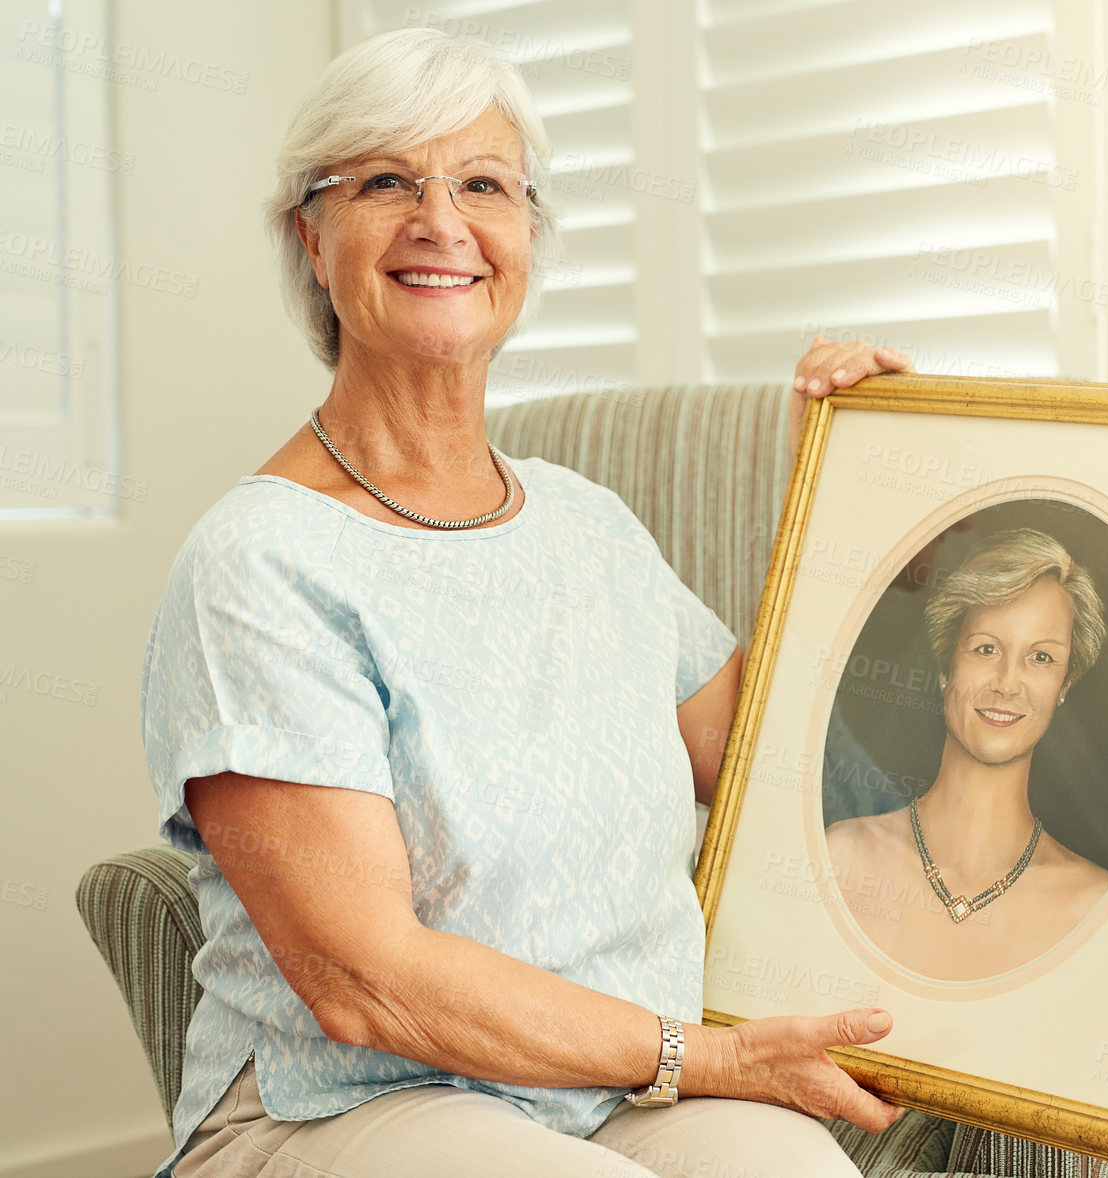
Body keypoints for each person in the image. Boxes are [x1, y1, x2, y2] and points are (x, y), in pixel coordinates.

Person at [139, 28, 916, 1178]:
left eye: (483, 185)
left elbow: (775, 765)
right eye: (387, 181)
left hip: (607, 1081)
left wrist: (850, 500)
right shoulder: (259, 561)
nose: (440, 221)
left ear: (528, 240)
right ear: (311, 234)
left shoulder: (584, 521)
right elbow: (365, 979)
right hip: (346, 1096)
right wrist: (700, 1055)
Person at [824, 528, 1108, 980]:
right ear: (945, 667)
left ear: (1065, 686)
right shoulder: (839, 858)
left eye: (1040, 658)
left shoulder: (1094, 907)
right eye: (986, 649)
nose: (1006, 682)